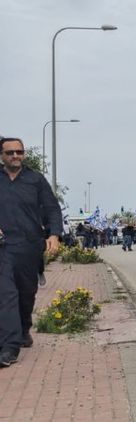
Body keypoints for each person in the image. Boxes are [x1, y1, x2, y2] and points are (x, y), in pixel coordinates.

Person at [0, 137, 62, 367]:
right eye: (10, 153)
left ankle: (24, 328)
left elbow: (52, 208)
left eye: (19, 152)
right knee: (6, 294)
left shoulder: (35, 180)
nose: (15, 156)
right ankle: (9, 347)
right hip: (3, 246)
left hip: (29, 246)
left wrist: (54, 235)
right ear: (1, 156)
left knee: (26, 293)